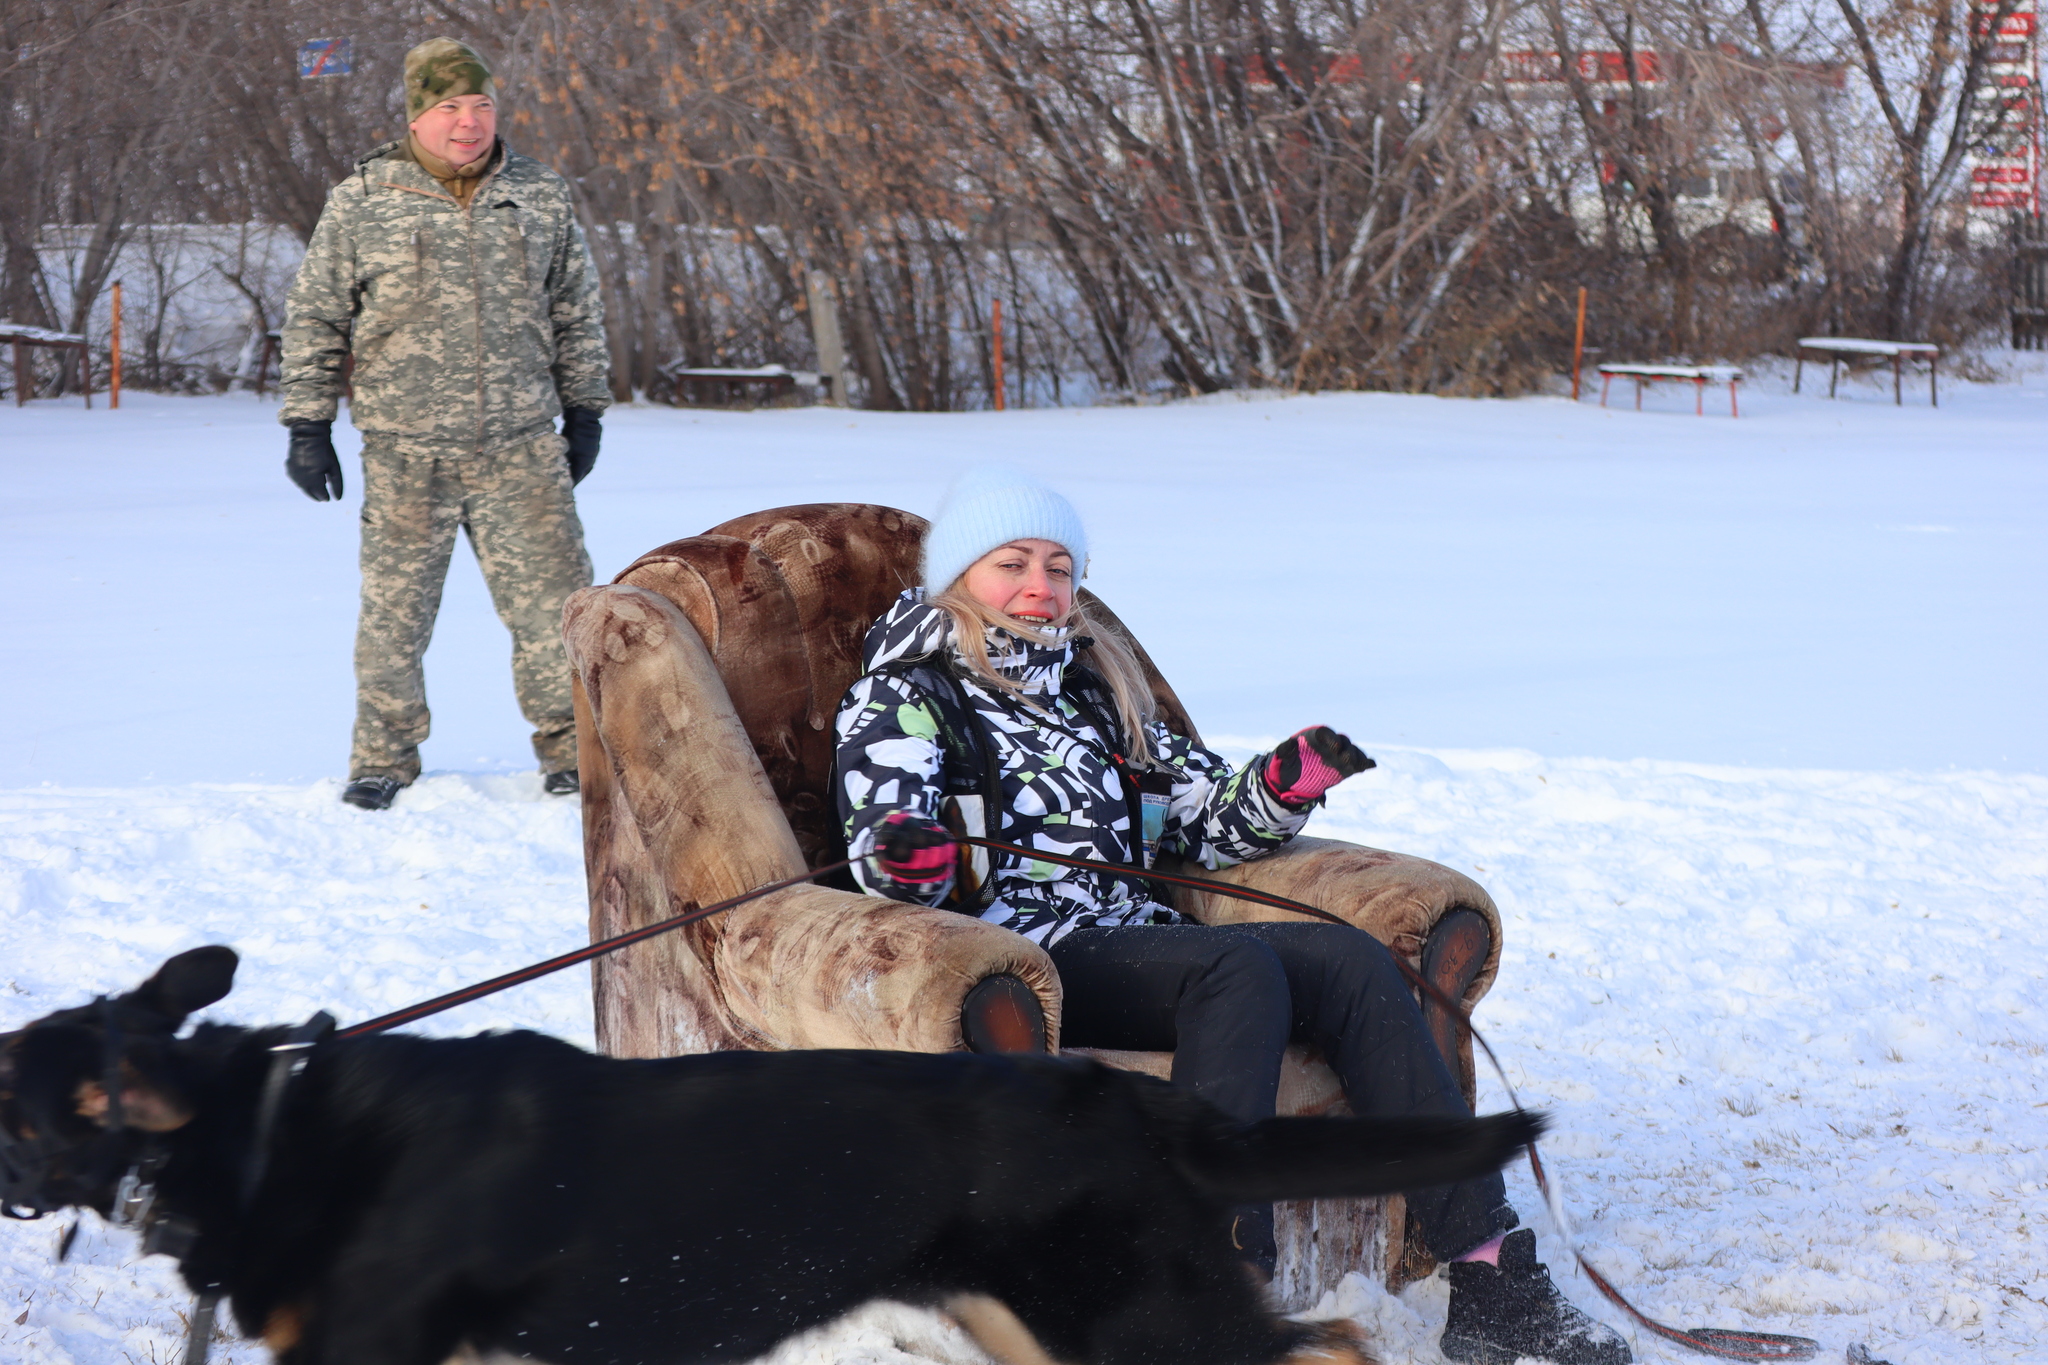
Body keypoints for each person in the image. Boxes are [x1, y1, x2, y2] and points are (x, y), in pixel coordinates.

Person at [834, 467, 1631, 1365]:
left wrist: (1284, 782)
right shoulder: (907, 695)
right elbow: (883, 842)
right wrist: (913, 852)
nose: (1039, 585)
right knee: (1234, 966)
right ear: (958, 579)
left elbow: (1196, 819)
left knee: (1349, 959)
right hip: (1027, 953)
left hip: (1132, 934)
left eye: (1060, 566)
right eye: (1011, 562)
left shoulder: (1094, 690)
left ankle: (1495, 1282)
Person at [277, 38, 610, 810]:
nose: (469, 123)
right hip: (405, 451)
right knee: (394, 616)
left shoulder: (540, 193)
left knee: (557, 613)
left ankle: (573, 752)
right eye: (450, 108)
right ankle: (382, 759)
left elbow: (576, 311)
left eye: (482, 106)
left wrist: (585, 409)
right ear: (418, 117)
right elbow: (317, 316)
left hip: (523, 449)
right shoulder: (363, 199)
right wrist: (307, 423)